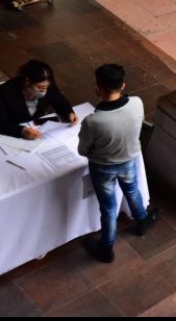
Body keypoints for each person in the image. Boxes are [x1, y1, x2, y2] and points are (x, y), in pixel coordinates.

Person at [78, 64, 159, 263]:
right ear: (123, 85)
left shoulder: (93, 121)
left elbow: (82, 150)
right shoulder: (137, 103)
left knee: (108, 206)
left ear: (97, 88)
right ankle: (141, 219)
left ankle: (107, 247)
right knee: (132, 190)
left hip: (103, 168)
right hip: (129, 159)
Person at [0, 60, 77, 139]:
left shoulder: (47, 86)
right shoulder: (5, 92)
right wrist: (21, 131)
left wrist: (68, 112)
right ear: (27, 82)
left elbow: (59, 100)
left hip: (36, 127)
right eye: (40, 87)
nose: (44, 91)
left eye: (46, 87)